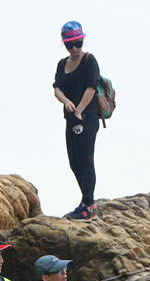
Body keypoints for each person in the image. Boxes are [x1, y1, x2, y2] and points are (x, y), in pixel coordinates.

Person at [53, 20, 101, 220]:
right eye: (69, 44)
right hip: (71, 118)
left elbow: (91, 87)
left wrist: (79, 110)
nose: (74, 48)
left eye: (77, 43)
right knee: (74, 161)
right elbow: (56, 88)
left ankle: (89, 205)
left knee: (85, 159)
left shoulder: (89, 60)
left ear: (82, 40)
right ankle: (85, 200)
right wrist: (66, 102)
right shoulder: (62, 64)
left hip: (87, 117)